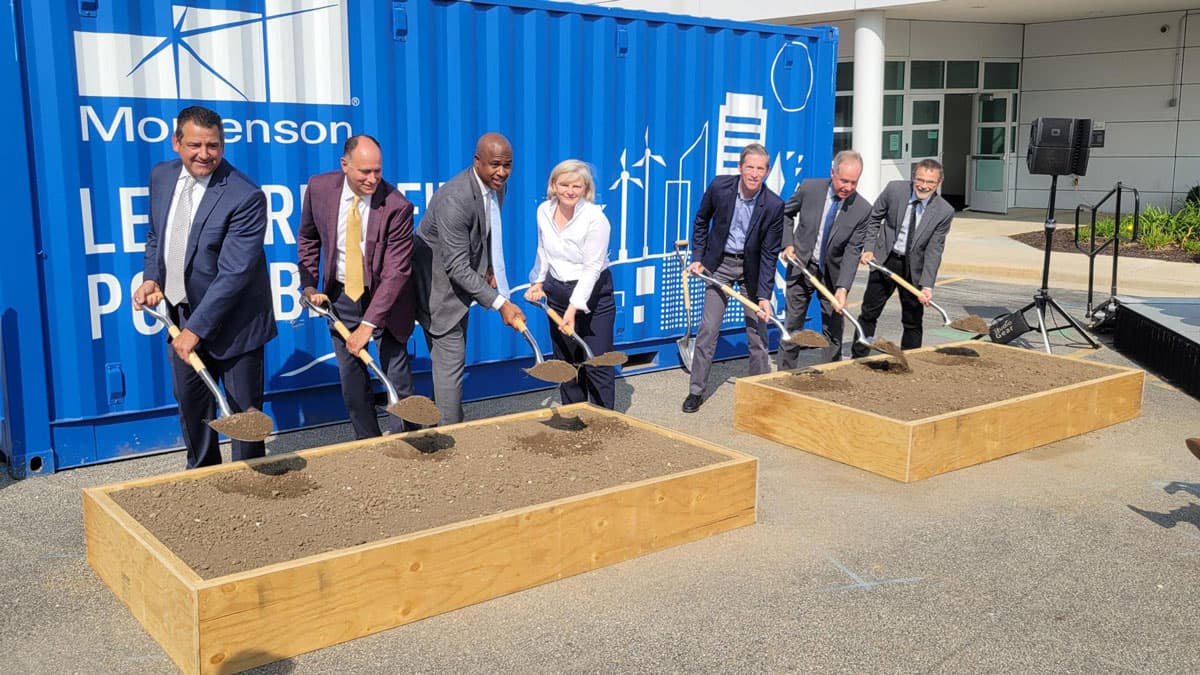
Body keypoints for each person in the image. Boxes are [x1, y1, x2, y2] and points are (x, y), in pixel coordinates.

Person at [133, 106, 276, 469]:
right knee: (193, 409)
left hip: (236, 326)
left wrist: (195, 330)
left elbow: (234, 274)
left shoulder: (245, 196)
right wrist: (152, 278)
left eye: (213, 145)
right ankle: (201, 478)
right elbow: (157, 236)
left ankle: (252, 481)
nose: (204, 154)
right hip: (181, 315)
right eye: (195, 145)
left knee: (244, 421)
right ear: (176, 142)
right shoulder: (162, 176)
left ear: (222, 146)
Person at [297, 135, 416, 439]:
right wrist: (309, 284)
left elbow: (396, 272)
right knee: (351, 376)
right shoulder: (320, 189)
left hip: (386, 298)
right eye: (365, 172)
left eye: (377, 171)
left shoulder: (397, 206)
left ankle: (408, 440)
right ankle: (367, 443)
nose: (373, 179)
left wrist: (368, 325)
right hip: (341, 295)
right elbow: (308, 237)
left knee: (395, 373)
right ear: (345, 165)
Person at [413, 132, 526, 424]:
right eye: (495, 164)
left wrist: (489, 268)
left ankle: (439, 429)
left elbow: (487, 228)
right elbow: (456, 267)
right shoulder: (454, 199)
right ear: (477, 161)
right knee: (451, 364)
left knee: (448, 368)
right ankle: (452, 436)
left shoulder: (496, 186)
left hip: (462, 285)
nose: (502, 172)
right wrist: (501, 303)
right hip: (437, 292)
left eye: (508, 165)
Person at [682, 143, 784, 413]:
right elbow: (701, 221)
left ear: (767, 172)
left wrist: (764, 296)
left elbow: (769, 253)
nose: (754, 173)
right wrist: (698, 257)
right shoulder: (720, 187)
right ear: (740, 167)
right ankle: (696, 391)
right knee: (708, 329)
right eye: (749, 167)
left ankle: (759, 391)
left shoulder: (774, 205)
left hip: (752, 271)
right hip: (720, 266)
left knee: (758, 333)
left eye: (760, 169)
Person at [524, 160, 616, 409]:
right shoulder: (544, 210)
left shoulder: (596, 219)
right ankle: (574, 418)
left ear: (586, 188)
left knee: (597, 363)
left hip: (593, 296)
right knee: (566, 364)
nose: (570, 191)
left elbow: (591, 269)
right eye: (564, 185)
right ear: (554, 185)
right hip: (557, 292)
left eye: (577, 186)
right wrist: (538, 282)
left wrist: (573, 309)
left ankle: (603, 422)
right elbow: (543, 250)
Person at [851, 159, 955, 358]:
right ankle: (858, 357)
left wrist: (927, 285)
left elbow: (934, 250)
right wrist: (869, 248)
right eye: (920, 180)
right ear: (913, 177)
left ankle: (909, 360)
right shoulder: (894, 190)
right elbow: (874, 218)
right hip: (885, 259)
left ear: (939, 183)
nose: (923, 186)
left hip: (913, 267)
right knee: (869, 312)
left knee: (913, 319)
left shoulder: (944, 211)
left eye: (930, 182)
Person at [778, 150, 873, 366]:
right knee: (793, 324)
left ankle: (831, 373)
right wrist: (788, 243)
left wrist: (842, 288)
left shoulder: (862, 209)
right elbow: (785, 214)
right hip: (802, 265)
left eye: (854, 182)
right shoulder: (809, 189)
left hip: (833, 274)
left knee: (833, 327)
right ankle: (784, 373)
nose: (848, 187)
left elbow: (852, 251)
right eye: (844, 181)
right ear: (833, 173)